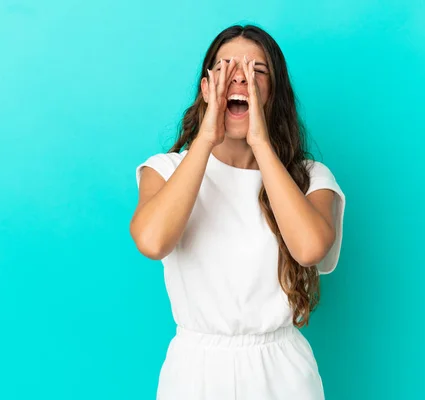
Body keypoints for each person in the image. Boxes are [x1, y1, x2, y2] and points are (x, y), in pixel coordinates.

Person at [130, 24, 346, 400]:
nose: (239, 79)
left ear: (273, 93)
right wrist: (206, 138)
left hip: (282, 373)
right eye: (226, 69)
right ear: (206, 86)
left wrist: (261, 143)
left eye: (256, 71)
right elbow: (151, 241)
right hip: (195, 372)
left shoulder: (311, 178)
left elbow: (310, 249)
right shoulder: (164, 170)